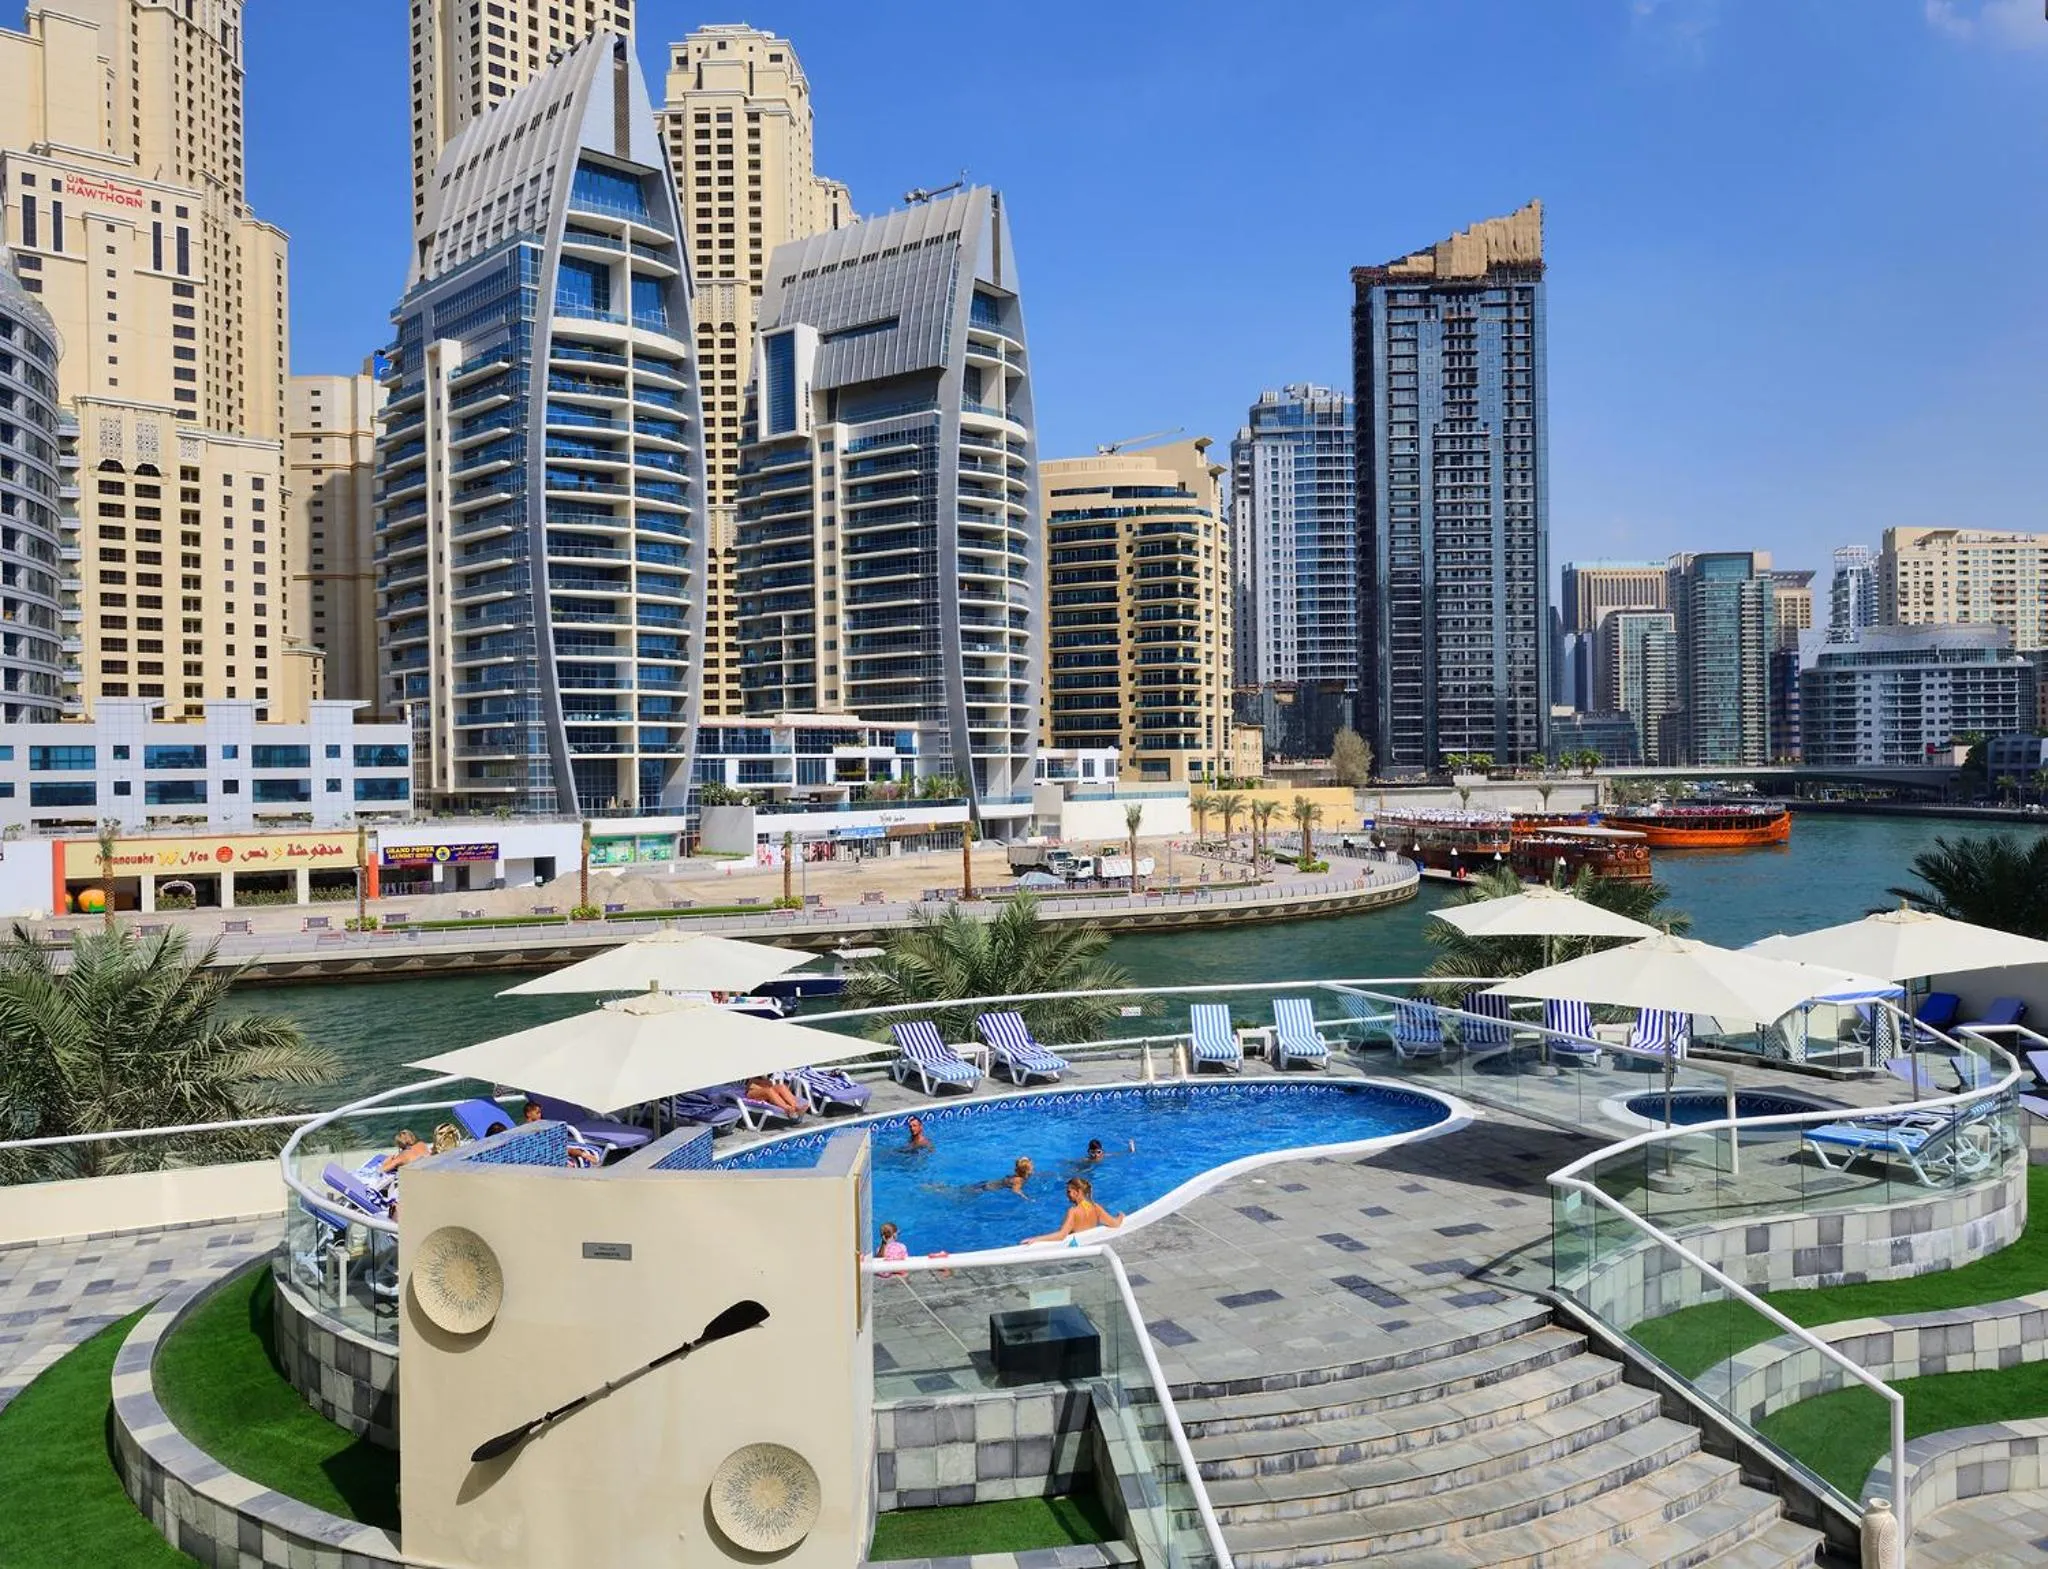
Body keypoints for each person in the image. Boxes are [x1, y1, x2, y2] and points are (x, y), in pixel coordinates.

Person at [1026, 1177, 1124, 1245]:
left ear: (1078, 1192)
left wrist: (1037, 1239)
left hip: (1075, 1247)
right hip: (1090, 1244)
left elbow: (1061, 1235)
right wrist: (1121, 1216)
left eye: (1069, 1191)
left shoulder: (1073, 1211)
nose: (1066, 1194)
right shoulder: (1095, 1207)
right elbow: (1115, 1224)